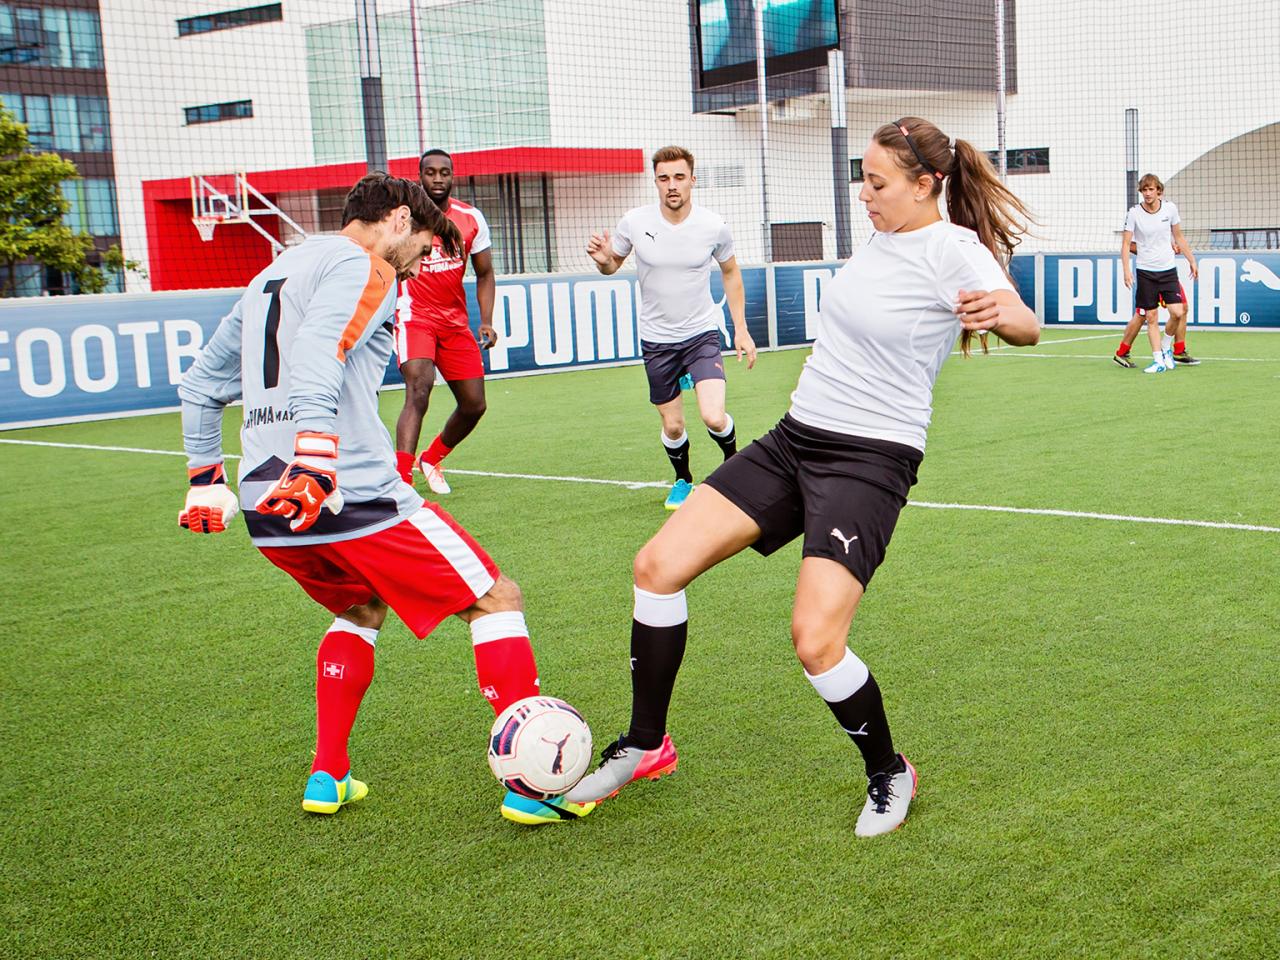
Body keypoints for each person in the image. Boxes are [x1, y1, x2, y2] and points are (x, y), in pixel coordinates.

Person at [567, 118, 1040, 837]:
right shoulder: (884, 235)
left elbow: (1024, 323)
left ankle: (890, 772)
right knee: (656, 565)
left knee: (815, 639)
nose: (864, 194)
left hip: (871, 459)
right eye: (863, 177)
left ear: (925, 185)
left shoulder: (953, 247)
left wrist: (1000, 313)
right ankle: (646, 743)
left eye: (878, 182)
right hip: (796, 439)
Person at [176, 172, 594, 827]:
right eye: (422, 245)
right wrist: (316, 452)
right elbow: (320, 349)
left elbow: (199, 387)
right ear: (398, 219)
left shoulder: (272, 274)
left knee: (362, 606)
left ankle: (328, 774)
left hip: (269, 507)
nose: (421, 262)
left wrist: (205, 477)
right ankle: (534, 787)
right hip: (346, 491)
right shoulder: (362, 262)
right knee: (495, 596)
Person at [587, 145, 757, 511]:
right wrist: (603, 262)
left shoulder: (713, 225)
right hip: (657, 340)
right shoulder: (635, 222)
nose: (672, 185)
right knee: (675, 427)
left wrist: (740, 329)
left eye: (679, 177)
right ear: (656, 182)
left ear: (692, 180)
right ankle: (683, 480)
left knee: (713, 415)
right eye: (664, 178)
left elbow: (731, 273)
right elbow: (612, 263)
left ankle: (733, 466)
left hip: (701, 333)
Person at [394, 149, 498, 495]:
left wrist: (486, 321)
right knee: (419, 389)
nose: (437, 179)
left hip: (454, 322)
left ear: (452, 176)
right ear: (419, 176)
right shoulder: (403, 220)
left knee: (474, 404)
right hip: (415, 317)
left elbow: (484, 273)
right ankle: (402, 480)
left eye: (444, 173)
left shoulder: (471, 219)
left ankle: (432, 457)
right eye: (430, 172)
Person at [1114, 174, 1199, 372]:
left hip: (1168, 270)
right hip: (1145, 272)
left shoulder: (1170, 208)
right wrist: (1126, 270)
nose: (1147, 193)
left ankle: (1167, 347)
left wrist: (1192, 260)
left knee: (1178, 311)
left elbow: (1178, 236)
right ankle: (1157, 358)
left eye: (1151, 189)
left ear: (1158, 190)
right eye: (1144, 190)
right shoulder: (1134, 213)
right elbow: (1126, 243)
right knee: (1147, 316)